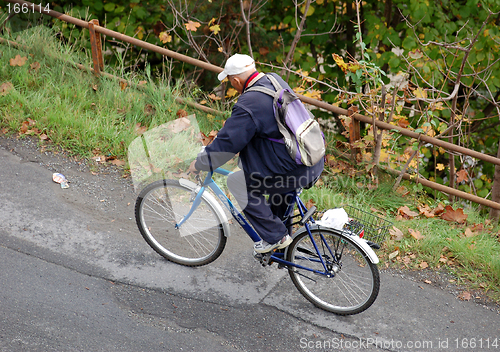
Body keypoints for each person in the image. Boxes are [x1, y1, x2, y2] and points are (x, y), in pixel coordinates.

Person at [189, 53, 324, 253]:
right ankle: (283, 247)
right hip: (310, 158)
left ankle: (276, 238)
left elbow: (226, 145)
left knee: (237, 183)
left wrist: (200, 163)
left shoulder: (248, 103)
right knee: (276, 193)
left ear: (235, 80)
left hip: (294, 170)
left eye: (230, 81)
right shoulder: (273, 79)